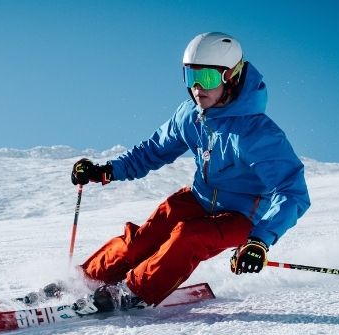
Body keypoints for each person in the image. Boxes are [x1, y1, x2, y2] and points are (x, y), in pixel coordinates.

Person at [69, 32, 310, 314]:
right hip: (198, 198)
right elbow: (152, 150)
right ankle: (84, 280)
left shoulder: (258, 134)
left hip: (243, 216)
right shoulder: (190, 115)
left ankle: (133, 292)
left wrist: (260, 240)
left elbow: (292, 193)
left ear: (230, 77)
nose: (196, 87)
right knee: (143, 239)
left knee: (189, 236)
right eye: (190, 76)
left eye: (206, 78)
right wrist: (106, 170)